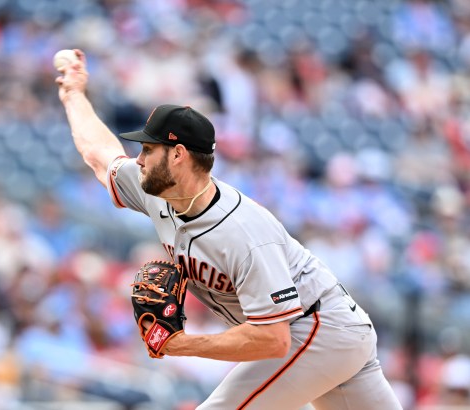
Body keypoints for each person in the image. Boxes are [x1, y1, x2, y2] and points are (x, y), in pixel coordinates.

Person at [55, 49, 403, 410]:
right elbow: (99, 154)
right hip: (330, 332)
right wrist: (74, 94)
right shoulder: (156, 191)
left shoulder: (242, 231)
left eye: (148, 149)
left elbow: (273, 341)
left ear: (178, 155)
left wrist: (181, 344)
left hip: (316, 329)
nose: (139, 159)